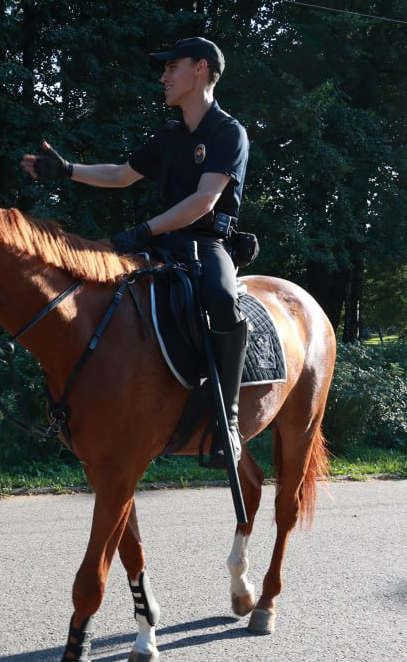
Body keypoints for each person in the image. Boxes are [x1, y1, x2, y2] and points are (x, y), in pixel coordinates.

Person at [21, 36, 250, 466]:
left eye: (171, 67)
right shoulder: (170, 135)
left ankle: (229, 420)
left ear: (200, 69)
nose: (163, 77)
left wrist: (143, 229)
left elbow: (204, 201)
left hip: (206, 243)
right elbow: (122, 175)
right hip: (162, 243)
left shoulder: (228, 133)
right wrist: (67, 170)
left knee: (222, 298)